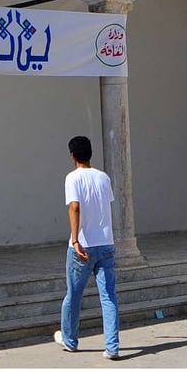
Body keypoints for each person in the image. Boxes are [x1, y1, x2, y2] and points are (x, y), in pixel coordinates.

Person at [53, 135, 120, 360]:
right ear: (90, 153)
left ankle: (70, 340)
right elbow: (105, 206)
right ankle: (112, 347)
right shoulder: (103, 178)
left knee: (73, 295)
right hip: (106, 243)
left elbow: (75, 207)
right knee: (108, 296)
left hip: (83, 246)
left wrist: (75, 239)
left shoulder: (72, 178)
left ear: (72, 155)